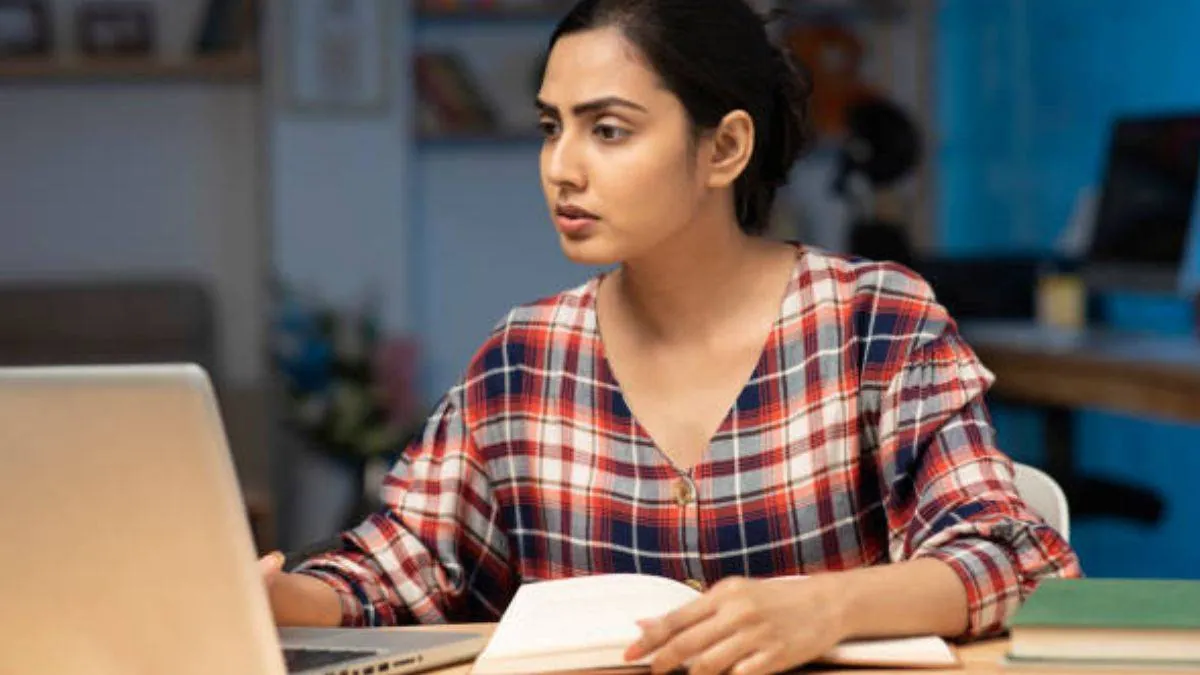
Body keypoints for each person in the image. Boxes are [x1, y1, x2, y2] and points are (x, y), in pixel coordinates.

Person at [260, 1, 1081, 673]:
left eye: (608, 130)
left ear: (724, 147)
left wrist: (826, 606)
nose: (561, 167)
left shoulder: (875, 321)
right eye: (551, 126)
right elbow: (403, 561)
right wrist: (284, 598)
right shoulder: (523, 358)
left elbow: (1018, 558)